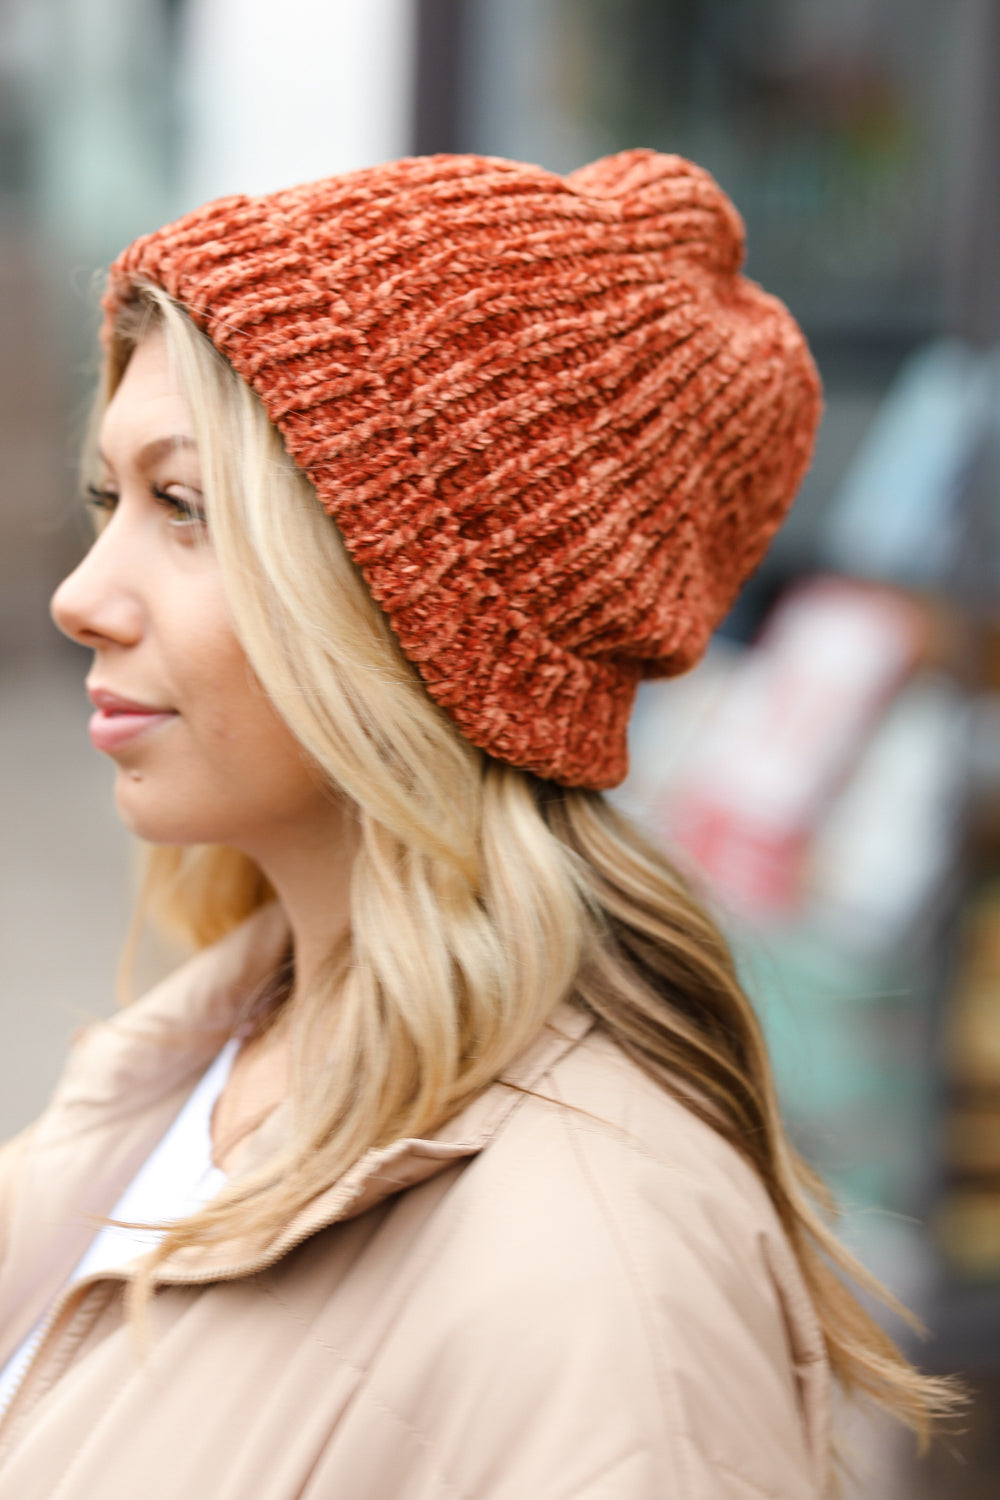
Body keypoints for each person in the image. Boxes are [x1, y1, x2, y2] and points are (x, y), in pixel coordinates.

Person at [0, 149, 951, 1498]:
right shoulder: (208, 1054)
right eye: (111, 501)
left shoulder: (606, 1291)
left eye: (186, 510)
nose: (82, 595)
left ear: (427, 621)